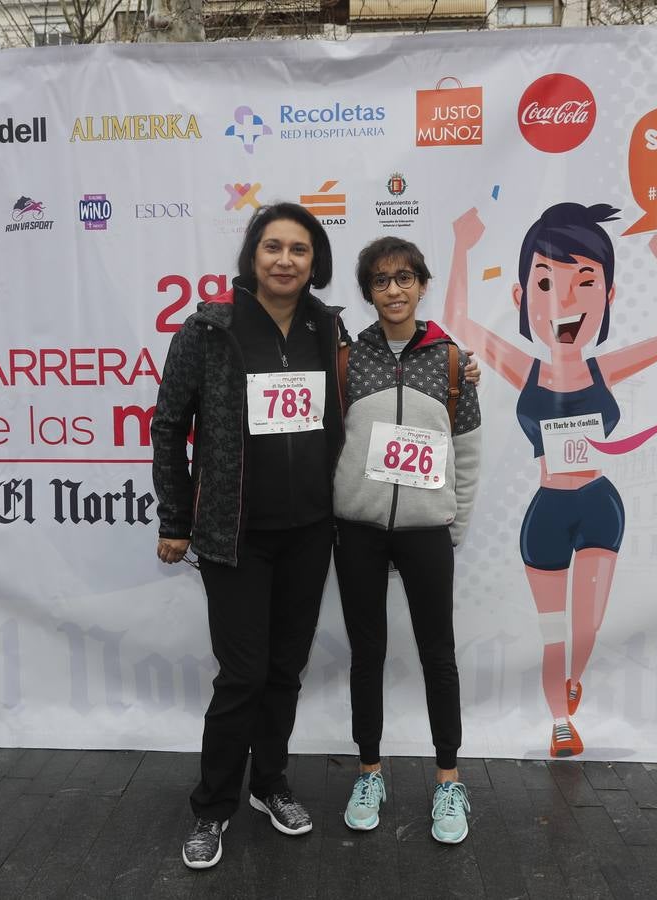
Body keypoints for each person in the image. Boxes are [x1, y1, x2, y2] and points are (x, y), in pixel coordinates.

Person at [445, 203, 657, 758]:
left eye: (586, 282)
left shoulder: (605, 369)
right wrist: (462, 247)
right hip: (548, 513)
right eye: (545, 282)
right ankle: (561, 719)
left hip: (600, 505)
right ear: (521, 297)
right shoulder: (523, 368)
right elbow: (458, 322)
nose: (566, 299)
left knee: (586, 631)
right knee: (553, 632)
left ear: (608, 296)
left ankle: (574, 677)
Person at [152, 202, 347, 870]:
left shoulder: (330, 329)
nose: (285, 260)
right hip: (235, 535)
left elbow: (354, 413)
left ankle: (270, 784)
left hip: (310, 532)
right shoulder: (210, 330)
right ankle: (211, 808)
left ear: (314, 261)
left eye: (299, 249)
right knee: (242, 676)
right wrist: (176, 521)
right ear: (252, 256)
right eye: (273, 247)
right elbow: (168, 425)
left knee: (285, 671)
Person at [332, 237, 482, 844]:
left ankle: (449, 779)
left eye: (404, 278)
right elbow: (326, 445)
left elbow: (467, 451)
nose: (393, 289)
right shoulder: (344, 359)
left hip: (426, 532)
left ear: (422, 285)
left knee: (437, 655)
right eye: (380, 280)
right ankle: (370, 771)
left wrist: (456, 525)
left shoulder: (451, 361)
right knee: (366, 654)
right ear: (367, 291)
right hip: (359, 531)